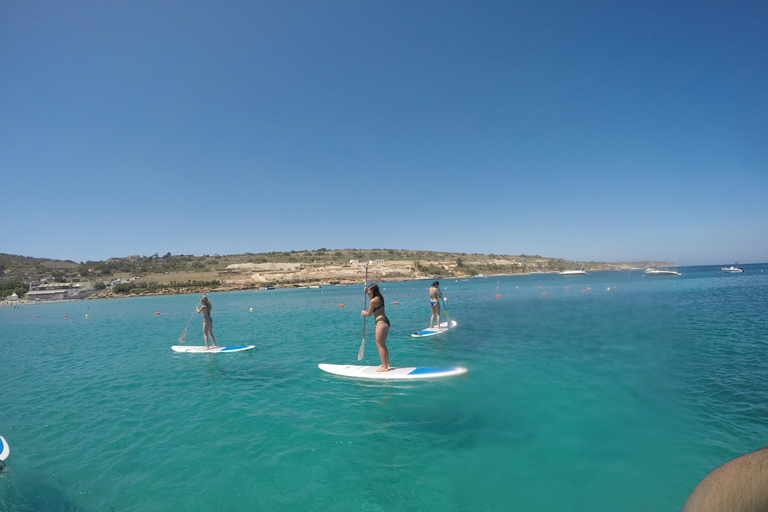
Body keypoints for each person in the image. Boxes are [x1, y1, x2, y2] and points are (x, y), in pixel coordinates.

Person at [361, 283, 390, 372]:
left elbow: (369, 313)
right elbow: (372, 300)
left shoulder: (373, 301)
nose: (368, 293)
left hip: (381, 323)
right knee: (383, 344)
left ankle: (385, 367)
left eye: (369, 291)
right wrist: (367, 292)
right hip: (385, 321)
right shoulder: (380, 298)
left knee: (379, 345)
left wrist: (364, 312)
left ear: (373, 291)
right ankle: (386, 364)